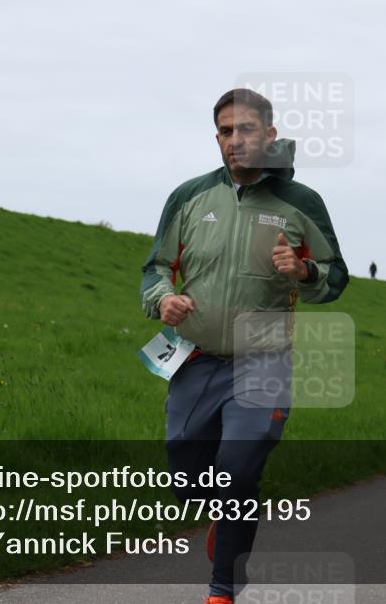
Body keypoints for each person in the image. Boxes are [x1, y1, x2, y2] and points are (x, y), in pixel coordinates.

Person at [140, 88, 349, 604]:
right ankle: (222, 513)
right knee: (187, 480)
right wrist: (163, 300)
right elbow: (156, 268)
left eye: (247, 129)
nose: (236, 140)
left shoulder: (301, 204)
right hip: (193, 359)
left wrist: (304, 270)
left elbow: (335, 277)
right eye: (226, 131)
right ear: (217, 138)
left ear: (270, 135)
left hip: (264, 361)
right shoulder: (188, 197)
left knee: (239, 469)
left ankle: (223, 589)